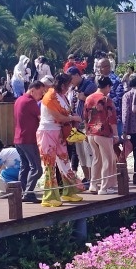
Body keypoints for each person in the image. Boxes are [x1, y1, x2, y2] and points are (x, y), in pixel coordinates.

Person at [38, 73, 84, 206]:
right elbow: (59, 117)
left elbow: (65, 114)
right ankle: (49, 196)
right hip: (47, 132)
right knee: (49, 164)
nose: (70, 87)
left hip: (58, 131)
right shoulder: (49, 96)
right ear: (63, 85)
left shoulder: (62, 95)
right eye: (68, 84)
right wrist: (73, 118)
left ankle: (69, 192)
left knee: (65, 161)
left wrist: (72, 117)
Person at [84, 77, 119, 195]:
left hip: (90, 132)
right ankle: (105, 187)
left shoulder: (88, 98)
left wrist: (86, 130)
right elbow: (112, 119)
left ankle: (93, 185)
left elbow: (85, 116)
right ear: (107, 86)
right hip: (103, 132)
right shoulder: (106, 99)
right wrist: (116, 135)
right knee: (108, 160)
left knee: (96, 158)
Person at [13, 80, 46, 203]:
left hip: (18, 139)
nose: (41, 95)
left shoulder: (18, 100)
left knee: (25, 167)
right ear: (33, 90)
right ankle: (28, 193)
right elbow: (41, 118)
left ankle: (24, 192)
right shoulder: (30, 102)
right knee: (37, 169)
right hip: (28, 139)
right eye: (40, 92)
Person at [68, 67, 97, 187]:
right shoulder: (73, 88)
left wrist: (84, 98)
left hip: (87, 125)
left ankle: (92, 179)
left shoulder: (89, 86)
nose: (70, 81)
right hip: (76, 126)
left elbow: (96, 103)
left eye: (71, 78)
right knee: (80, 154)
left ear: (76, 75)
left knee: (88, 152)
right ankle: (87, 178)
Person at [121, 75, 136, 185]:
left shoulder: (127, 95)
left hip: (132, 128)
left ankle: (134, 176)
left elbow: (126, 114)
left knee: (133, 152)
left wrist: (124, 131)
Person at [97, 58, 125, 138]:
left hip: (114, 117)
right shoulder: (98, 80)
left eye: (100, 67)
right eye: (97, 67)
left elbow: (119, 97)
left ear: (108, 67)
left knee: (117, 144)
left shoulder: (116, 80)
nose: (98, 69)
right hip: (102, 118)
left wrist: (106, 100)